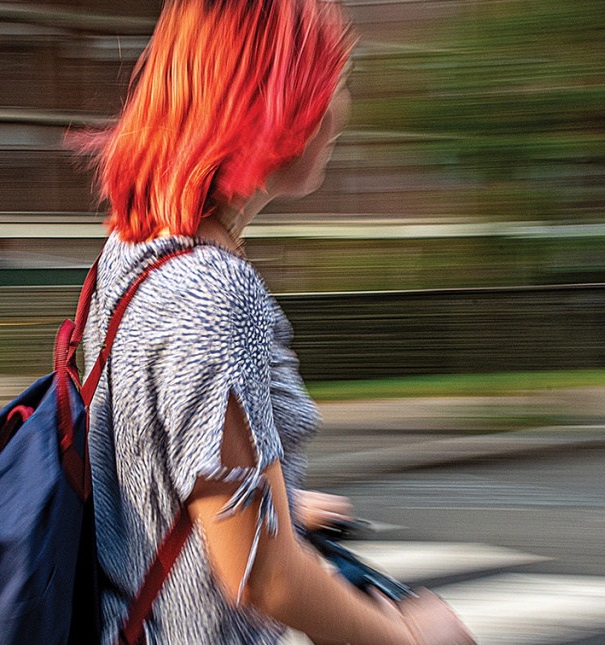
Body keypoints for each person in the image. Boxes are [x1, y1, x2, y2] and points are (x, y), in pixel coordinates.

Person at [77, 0, 477, 643]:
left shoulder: (132, 252)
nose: (342, 106)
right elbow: (262, 574)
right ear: (278, 102)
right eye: (334, 80)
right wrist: (411, 637)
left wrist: (279, 507)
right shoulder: (214, 293)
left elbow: (141, 462)